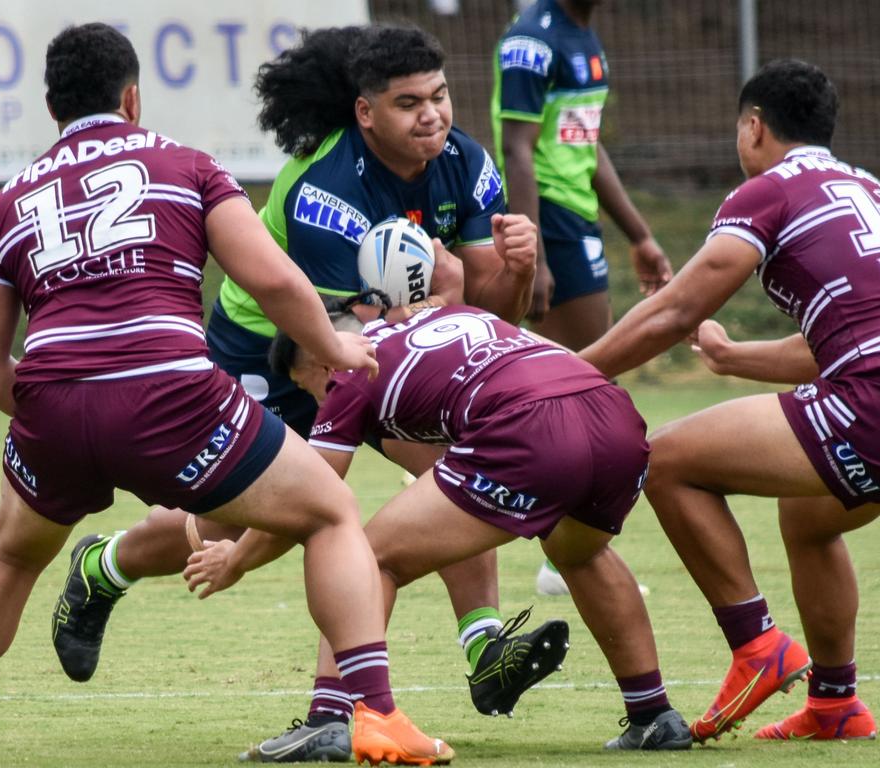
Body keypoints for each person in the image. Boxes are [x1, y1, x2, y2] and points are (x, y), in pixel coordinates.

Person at [46, 24, 555, 764]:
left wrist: (513, 269)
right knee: (230, 524)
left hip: (373, 346)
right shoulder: (324, 192)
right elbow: (339, 333)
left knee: (451, 469)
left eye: (440, 97)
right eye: (410, 102)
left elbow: (478, 317)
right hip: (278, 352)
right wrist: (449, 298)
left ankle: (481, 649)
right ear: (366, 112)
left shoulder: (468, 163)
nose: (434, 116)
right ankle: (106, 565)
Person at [0, 23, 454, 766]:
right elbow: (274, 279)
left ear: (53, 108)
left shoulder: (5, 204)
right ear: (132, 97)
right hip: (171, 395)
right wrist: (335, 348)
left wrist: (48, 418)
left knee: (9, 556)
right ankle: (374, 714)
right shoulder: (184, 164)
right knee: (329, 512)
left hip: (52, 399)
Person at [578, 59, 880, 741]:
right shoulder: (871, 189)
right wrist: (732, 360)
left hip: (878, 409)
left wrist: (570, 373)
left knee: (666, 459)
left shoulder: (765, 192)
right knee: (808, 522)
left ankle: (756, 645)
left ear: (753, 127)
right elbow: (850, 336)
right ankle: (835, 704)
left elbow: (675, 311)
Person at [183, 297, 694, 754]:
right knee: (579, 552)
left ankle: (329, 718)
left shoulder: (347, 370)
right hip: (614, 418)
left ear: (318, 356)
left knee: (367, 557)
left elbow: (308, 501)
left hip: (530, 423)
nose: (319, 398)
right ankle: (654, 715)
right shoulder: (439, 314)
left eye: (307, 387)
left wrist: (237, 557)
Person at [492, 0, 672, 595]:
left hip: (579, 220)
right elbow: (518, 149)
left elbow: (585, 146)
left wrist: (640, 234)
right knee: (591, 389)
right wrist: (534, 254)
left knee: (587, 387)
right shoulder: (532, 41)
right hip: (553, 222)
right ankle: (561, 554)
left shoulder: (584, 37)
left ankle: (561, 552)